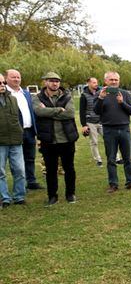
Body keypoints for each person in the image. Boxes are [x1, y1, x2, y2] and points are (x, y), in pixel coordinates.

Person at [32, 72, 78, 206]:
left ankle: (70, 194)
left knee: (69, 168)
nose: (55, 83)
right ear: (45, 82)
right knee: (51, 170)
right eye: (52, 81)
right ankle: (52, 196)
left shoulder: (67, 96)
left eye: (57, 81)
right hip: (48, 139)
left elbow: (69, 114)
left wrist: (49, 112)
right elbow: (38, 112)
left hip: (66, 139)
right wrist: (59, 110)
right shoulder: (38, 97)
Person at [94, 71, 131, 193]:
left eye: (116, 80)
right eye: (111, 80)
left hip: (124, 129)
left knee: (127, 158)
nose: (113, 82)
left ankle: (130, 182)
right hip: (109, 130)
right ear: (105, 81)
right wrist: (101, 98)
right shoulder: (100, 94)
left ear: (119, 81)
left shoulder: (125, 93)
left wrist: (122, 102)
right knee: (111, 159)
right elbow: (96, 111)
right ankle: (113, 184)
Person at [5, 69, 42, 190]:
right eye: (13, 77)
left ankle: (31, 181)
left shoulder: (25, 93)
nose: (16, 79)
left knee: (30, 157)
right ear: (6, 79)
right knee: (17, 161)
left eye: (18, 77)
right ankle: (20, 185)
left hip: (29, 131)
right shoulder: (4, 94)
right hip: (16, 132)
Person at [0, 74, 26, 208]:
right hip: (0, 142)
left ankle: (19, 196)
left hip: (15, 140)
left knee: (20, 170)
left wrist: (20, 132)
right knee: (1, 172)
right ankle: (4, 198)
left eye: (3, 82)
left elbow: (17, 118)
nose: (2, 85)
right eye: (0, 83)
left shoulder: (13, 99)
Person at [79, 77, 104, 166]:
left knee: (109, 140)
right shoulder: (84, 95)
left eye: (96, 82)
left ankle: (116, 157)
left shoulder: (101, 93)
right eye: (93, 82)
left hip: (101, 121)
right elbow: (82, 111)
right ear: (88, 83)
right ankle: (98, 159)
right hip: (90, 122)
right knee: (94, 142)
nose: (96, 84)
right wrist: (84, 125)